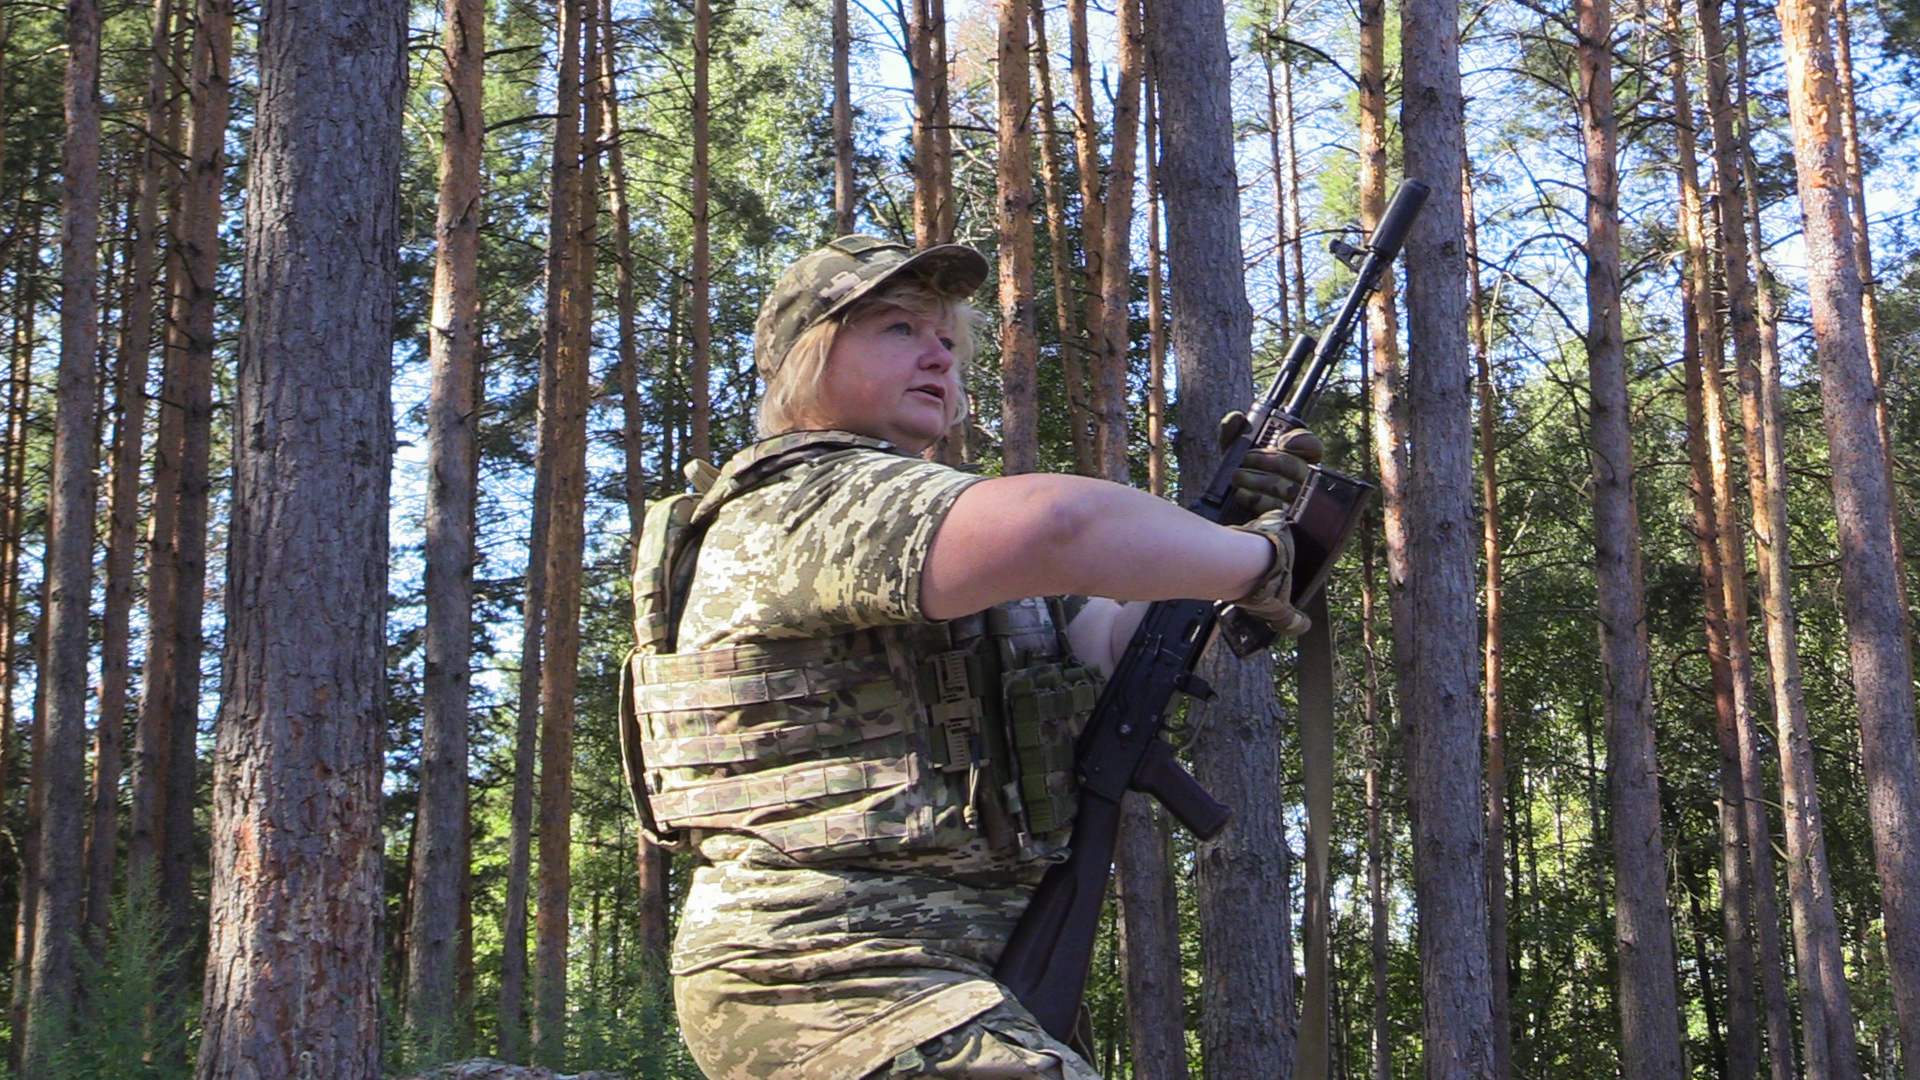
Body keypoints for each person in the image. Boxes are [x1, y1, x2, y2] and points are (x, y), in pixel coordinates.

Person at [618, 235, 1321, 1080]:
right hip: (826, 979)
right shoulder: (806, 501)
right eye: (895, 328)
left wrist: (1234, 535)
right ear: (807, 357)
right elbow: (1061, 526)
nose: (937, 356)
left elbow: (1112, 644)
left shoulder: (931, 535)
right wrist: (1254, 561)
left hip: (960, 986)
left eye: (948, 341)